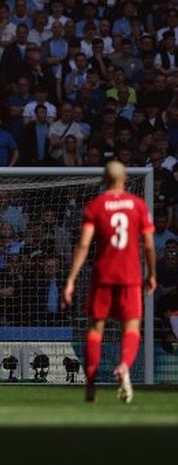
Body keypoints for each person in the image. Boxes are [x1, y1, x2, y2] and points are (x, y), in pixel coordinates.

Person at [62, 161, 156, 403]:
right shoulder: (137, 205)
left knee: (95, 331)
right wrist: (152, 274)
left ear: (104, 179)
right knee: (132, 327)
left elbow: (83, 245)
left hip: (102, 275)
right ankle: (124, 366)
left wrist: (71, 279)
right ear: (125, 178)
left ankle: (91, 385)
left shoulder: (96, 206)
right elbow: (148, 244)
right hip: (130, 276)